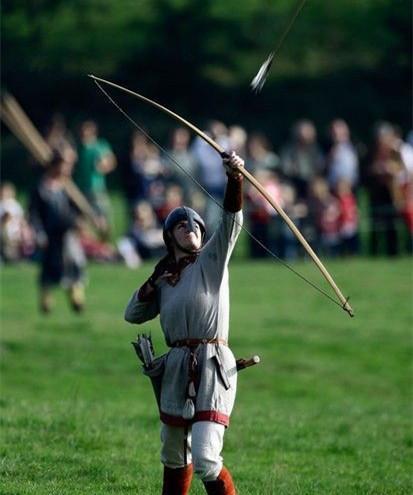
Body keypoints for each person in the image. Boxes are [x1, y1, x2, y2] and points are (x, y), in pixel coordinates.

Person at [124, 152, 244, 495]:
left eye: (194, 224)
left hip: (213, 363)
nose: (190, 227)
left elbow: (232, 222)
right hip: (177, 366)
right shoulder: (164, 277)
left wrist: (234, 178)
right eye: (180, 224)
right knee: (173, 455)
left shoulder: (212, 259)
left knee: (206, 458)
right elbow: (132, 314)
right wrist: (152, 283)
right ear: (169, 237)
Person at [29, 151, 86, 313]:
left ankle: (77, 299)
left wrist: (78, 222)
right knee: (49, 268)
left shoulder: (68, 188)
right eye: (64, 165)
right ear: (55, 166)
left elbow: (75, 210)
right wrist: (39, 233)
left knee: (74, 264)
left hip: (68, 234)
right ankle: (45, 301)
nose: (67, 169)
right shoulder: (41, 188)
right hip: (50, 236)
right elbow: (34, 214)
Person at [75, 120, 117, 235]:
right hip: (81, 187)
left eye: (86, 131)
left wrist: (103, 167)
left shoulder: (100, 145)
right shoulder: (79, 147)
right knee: (84, 216)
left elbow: (111, 162)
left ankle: (105, 238)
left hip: (96, 187)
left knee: (102, 215)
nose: (83, 133)